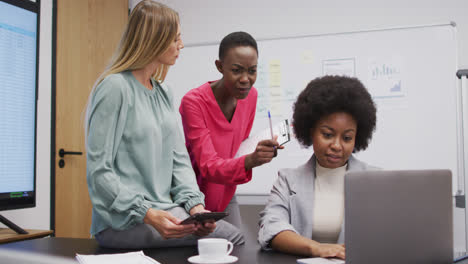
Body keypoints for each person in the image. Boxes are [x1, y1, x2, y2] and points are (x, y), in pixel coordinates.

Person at [85, 0, 243, 248]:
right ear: (153, 40)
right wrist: (146, 213)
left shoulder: (164, 93)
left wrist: (196, 209)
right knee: (232, 237)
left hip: (165, 210)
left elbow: (179, 161)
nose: (181, 45)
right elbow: (99, 173)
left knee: (225, 236)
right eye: (174, 39)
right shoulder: (115, 88)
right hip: (123, 221)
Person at [258, 75, 378, 259]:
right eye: (328, 134)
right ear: (311, 131)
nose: (337, 146)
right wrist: (316, 248)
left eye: (347, 138)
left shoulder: (376, 180)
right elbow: (271, 228)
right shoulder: (288, 180)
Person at [179, 32, 281, 228]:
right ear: (219, 67)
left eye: (252, 71)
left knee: (237, 248)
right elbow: (207, 166)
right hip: (193, 202)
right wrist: (251, 160)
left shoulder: (250, 96)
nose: (245, 79)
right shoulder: (193, 102)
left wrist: (259, 150)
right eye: (236, 70)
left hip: (226, 192)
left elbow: (239, 145)